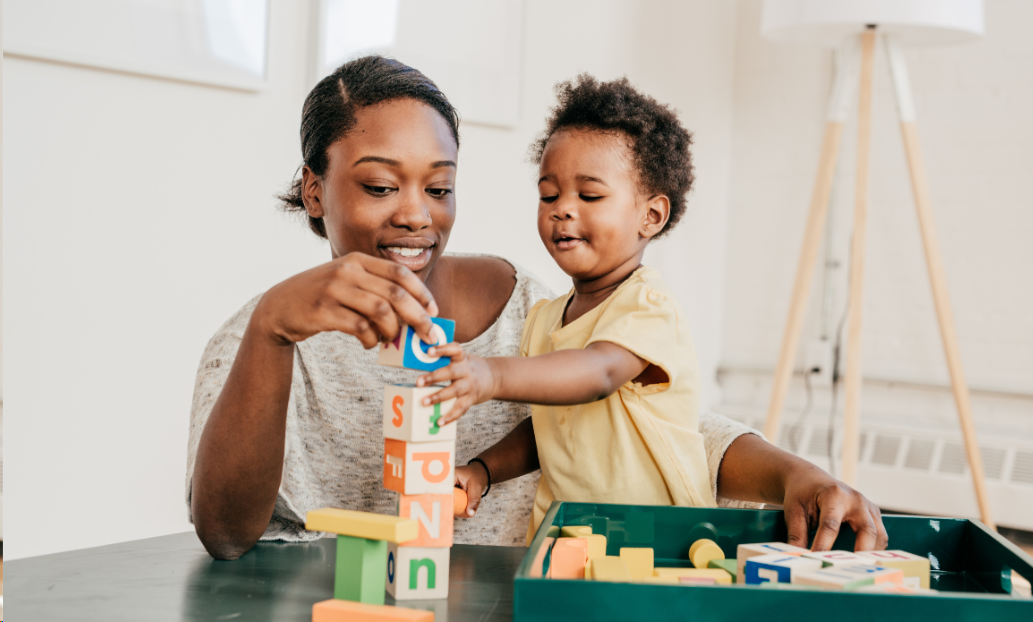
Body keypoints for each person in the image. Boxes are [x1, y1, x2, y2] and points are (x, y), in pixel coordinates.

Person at [187, 55, 887, 561]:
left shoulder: (537, 304)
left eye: (439, 188)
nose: (414, 215)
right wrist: (272, 331)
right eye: (377, 186)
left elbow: (664, 427)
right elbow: (224, 533)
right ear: (315, 191)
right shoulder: (260, 336)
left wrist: (799, 472)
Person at [420, 75, 716, 540]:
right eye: (549, 195)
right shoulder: (544, 319)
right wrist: (483, 470)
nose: (563, 209)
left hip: (658, 543)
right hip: (567, 541)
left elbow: (597, 375)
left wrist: (491, 375)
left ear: (651, 216)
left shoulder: (647, 305)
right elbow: (550, 429)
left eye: (590, 195)